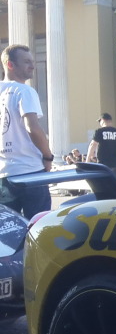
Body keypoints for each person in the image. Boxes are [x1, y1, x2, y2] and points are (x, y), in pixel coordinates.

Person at [0, 44, 55, 218]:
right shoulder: (24, 90)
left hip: (4, 175)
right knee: (38, 227)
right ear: (10, 65)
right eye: (26, 62)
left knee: (8, 233)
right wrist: (47, 156)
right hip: (30, 172)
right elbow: (33, 128)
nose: (32, 65)